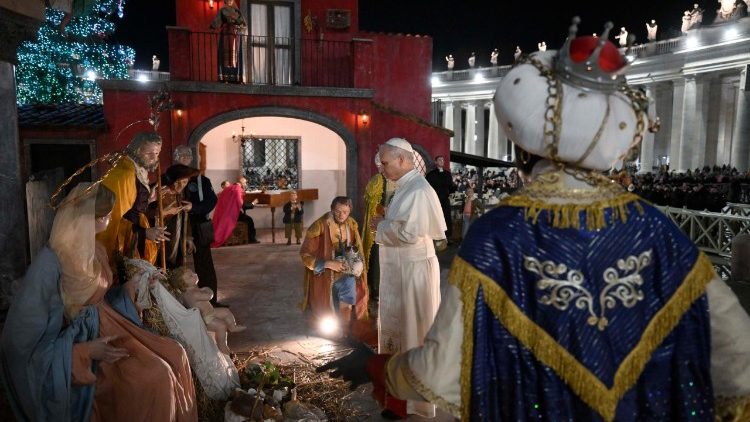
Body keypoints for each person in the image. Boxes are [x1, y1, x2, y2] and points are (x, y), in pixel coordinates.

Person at [319, 18, 750, 421]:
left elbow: (439, 370)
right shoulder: (658, 230)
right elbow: (739, 363)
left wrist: (376, 367)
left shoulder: (499, 236)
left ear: (523, 150)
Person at [1, 183, 197, 421]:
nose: (109, 219)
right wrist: (83, 352)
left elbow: (101, 297)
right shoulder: (50, 264)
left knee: (175, 353)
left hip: (110, 325)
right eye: (103, 215)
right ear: (85, 218)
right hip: (83, 342)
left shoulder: (95, 248)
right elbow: (20, 344)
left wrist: (131, 287)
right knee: (157, 376)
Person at [367, 138, 447, 419]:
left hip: (413, 274)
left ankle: (413, 402)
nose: (381, 168)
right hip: (402, 271)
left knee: (413, 333)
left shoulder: (418, 190)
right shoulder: (406, 186)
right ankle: (397, 397)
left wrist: (381, 225)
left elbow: (408, 234)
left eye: (385, 163)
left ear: (402, 159)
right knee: (402, 332)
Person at [300, 197, 369, 337]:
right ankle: (330, 329)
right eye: (338, 211)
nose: (341, 215)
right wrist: (328, 263)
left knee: (347, 301)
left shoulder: (352, 225)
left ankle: (345, 331)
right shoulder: (319, 226)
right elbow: (305, 255)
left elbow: (358, 250)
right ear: (332, 209)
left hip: (346, 274)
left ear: (349, 211)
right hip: (324, 277)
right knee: (326, 307)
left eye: (345, 212)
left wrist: (357, 263)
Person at [97, 131, 169, 266]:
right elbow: (116, 218)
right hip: (125, 239)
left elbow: (132, 203)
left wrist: (148, 200)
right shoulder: (125, 175)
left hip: (135, 234)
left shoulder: (138, 169)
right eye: (149, 153)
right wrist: (144, 233)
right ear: (137, 150)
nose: (154, 158)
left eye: (157, 153)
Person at [172, 146, 225, 307]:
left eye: (187, 156)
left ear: (192, 159)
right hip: (176, 226)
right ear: (175, 158)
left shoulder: (202, 180)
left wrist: (194, 207)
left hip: (199, 224)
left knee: (204, 264)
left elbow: (211, 201)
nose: (184, 158)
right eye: (181, 156)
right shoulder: (170, 178)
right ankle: (176, 302)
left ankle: (211, 301)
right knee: (176, 262)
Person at [173, 267, 246, 355]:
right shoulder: (194, 293)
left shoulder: (185, 293)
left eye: (192, 273)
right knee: (221, 326)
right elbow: (208, 296)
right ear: (183, 284)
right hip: (206, 319)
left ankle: (232, 326)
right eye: (190, 276)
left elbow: (181, 300)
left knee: (226, 311)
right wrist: (208, 289)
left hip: (210, 312)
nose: (194, 275)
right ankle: (222, 345)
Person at [362, 152, 397, 302]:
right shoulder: (377, 180)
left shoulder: (397, 180)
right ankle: (376, 288)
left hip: (394, 224)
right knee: (377, 257)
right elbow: (373, 206)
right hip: (380, 225)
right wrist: (386, 211)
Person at [152, 164, 199, 269]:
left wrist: (188, 237)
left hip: (177, 241)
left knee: (176, 268)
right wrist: (165, 212)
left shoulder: (181, 194)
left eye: (185, 182)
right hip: (161, 240)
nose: (181, 186)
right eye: (178, 182)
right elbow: (148, 215)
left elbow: (185, 217)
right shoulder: (160, 193)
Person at [211, 176, 258, 247]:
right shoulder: (237, 189)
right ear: (242, 182)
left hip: (224, 214)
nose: (246, 184)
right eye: (245, 183)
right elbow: (242, 205)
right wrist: (253, 203)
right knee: (249, 220)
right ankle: (252, 239)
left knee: (245, 217)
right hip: (231, 215)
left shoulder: (229, 188)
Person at [210, 0, 246, 82]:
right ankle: (225, 77)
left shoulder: (237, 12)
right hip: (225, 35)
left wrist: (239, 27)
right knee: (224, 55)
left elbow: (243, 24)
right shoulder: (222, 11)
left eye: (230, 0)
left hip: (235, 36)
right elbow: (217, 21)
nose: (229, 1)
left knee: (236, 55)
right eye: (227, 0)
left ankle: (236, 77)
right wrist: (213, 26)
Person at [425, 154, 455, 241]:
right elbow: (427, 188)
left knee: (446, 218)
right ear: (435, 162)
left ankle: (447, 237)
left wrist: (452, 192)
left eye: (443, 160)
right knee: (436, 218)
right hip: (435, 200)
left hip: (445, 200)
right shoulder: (431, 174)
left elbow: (451, 187)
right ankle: (435, 237)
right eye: (440, 160)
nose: (442, 161)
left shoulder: (447, 174)